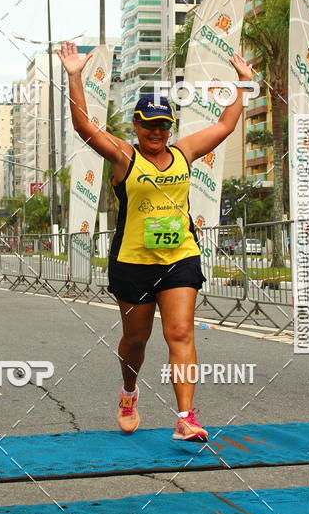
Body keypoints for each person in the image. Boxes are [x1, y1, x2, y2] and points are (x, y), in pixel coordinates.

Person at [58, 41, 254, 441]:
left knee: (180, 332)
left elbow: (224, 125)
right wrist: (75, 75)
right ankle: (129, 392)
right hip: (133, 262)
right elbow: (84, 126)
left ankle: (186, 417)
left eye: (163, 125)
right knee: (136, 339)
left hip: (180, 257)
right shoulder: (123, 157)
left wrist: (244, 84)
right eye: (149, 125)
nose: (156, 132)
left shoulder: (184, 153)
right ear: (135, 125)